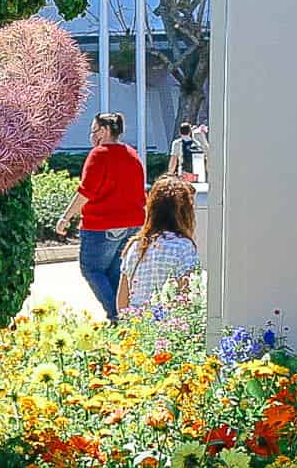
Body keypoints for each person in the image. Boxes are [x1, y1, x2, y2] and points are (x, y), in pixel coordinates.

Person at [54, 112, 146, 321]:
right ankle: (126, 315)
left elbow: (86, 191)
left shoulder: (99, 154)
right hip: (133, 224)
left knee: (92, 269)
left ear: (104, 131)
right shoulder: (132, 153)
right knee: (114, 271)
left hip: (103, 225)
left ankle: (116, 315)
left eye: (93, 130)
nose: (91, 135)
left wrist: (65, 217)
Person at [116, 176, 200, 312]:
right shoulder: (183, 247)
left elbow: (122, 300)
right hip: (167, 324)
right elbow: (187, 295)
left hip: (136, 325)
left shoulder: (135, 245)